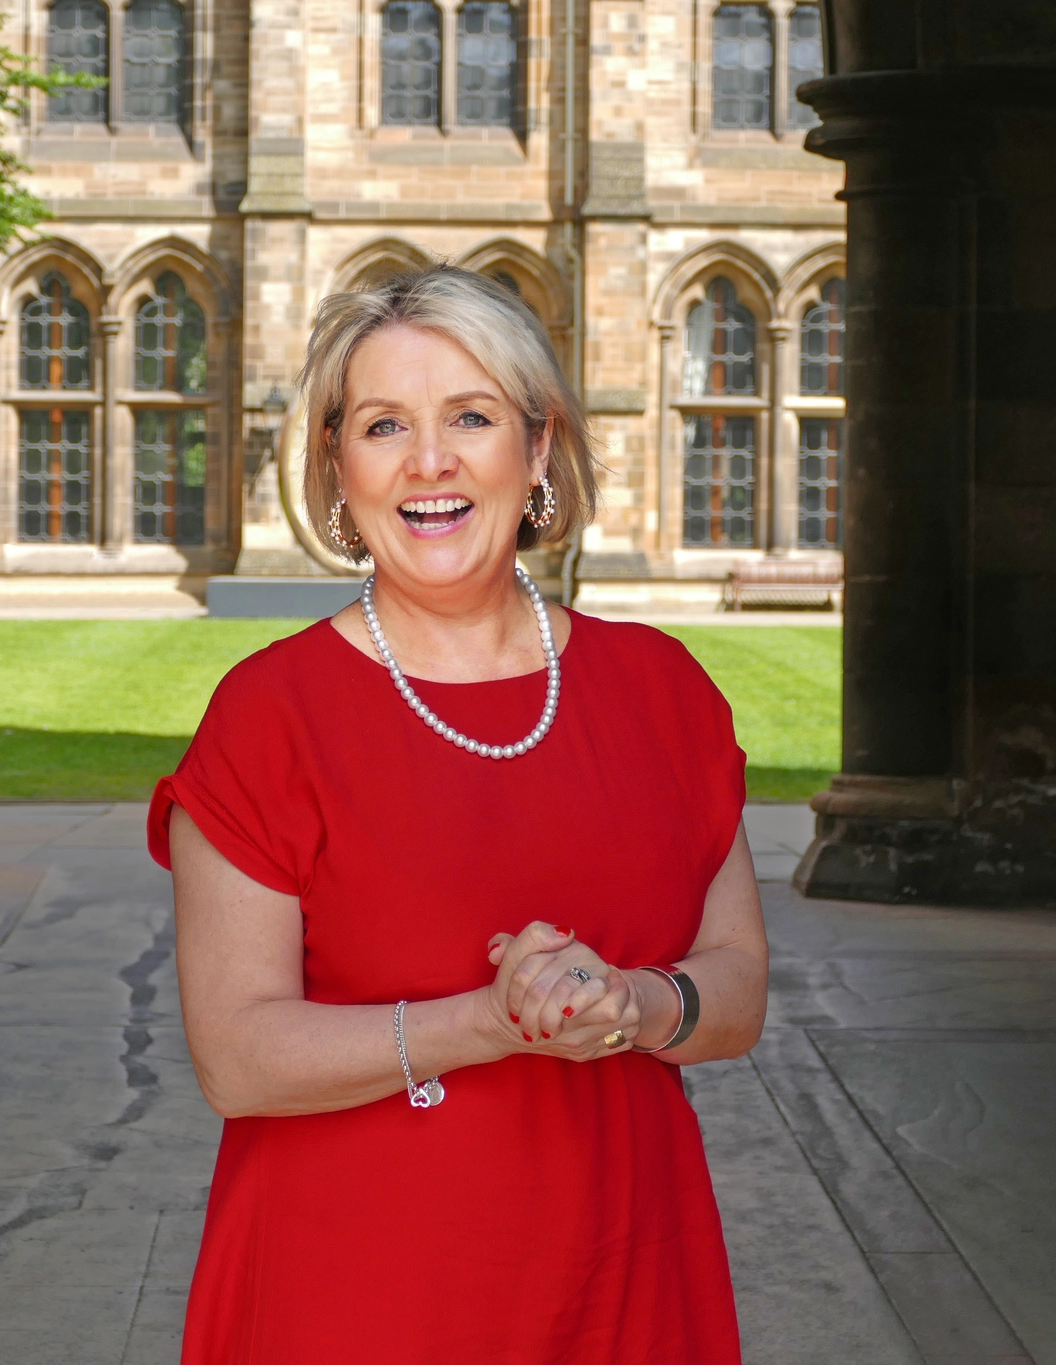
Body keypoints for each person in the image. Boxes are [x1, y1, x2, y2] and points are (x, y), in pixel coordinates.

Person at [148, 264, 769, 1364]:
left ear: (537, 448)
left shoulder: (662, 692)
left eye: (469, 417)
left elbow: (735, 999)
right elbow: (236, 1059)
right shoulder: (270, 716)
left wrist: (627, 999)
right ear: (338, 466)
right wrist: (491, 1022)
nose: (428, 462)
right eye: (384, 425)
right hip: (354, 1291)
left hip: (623, 1272)